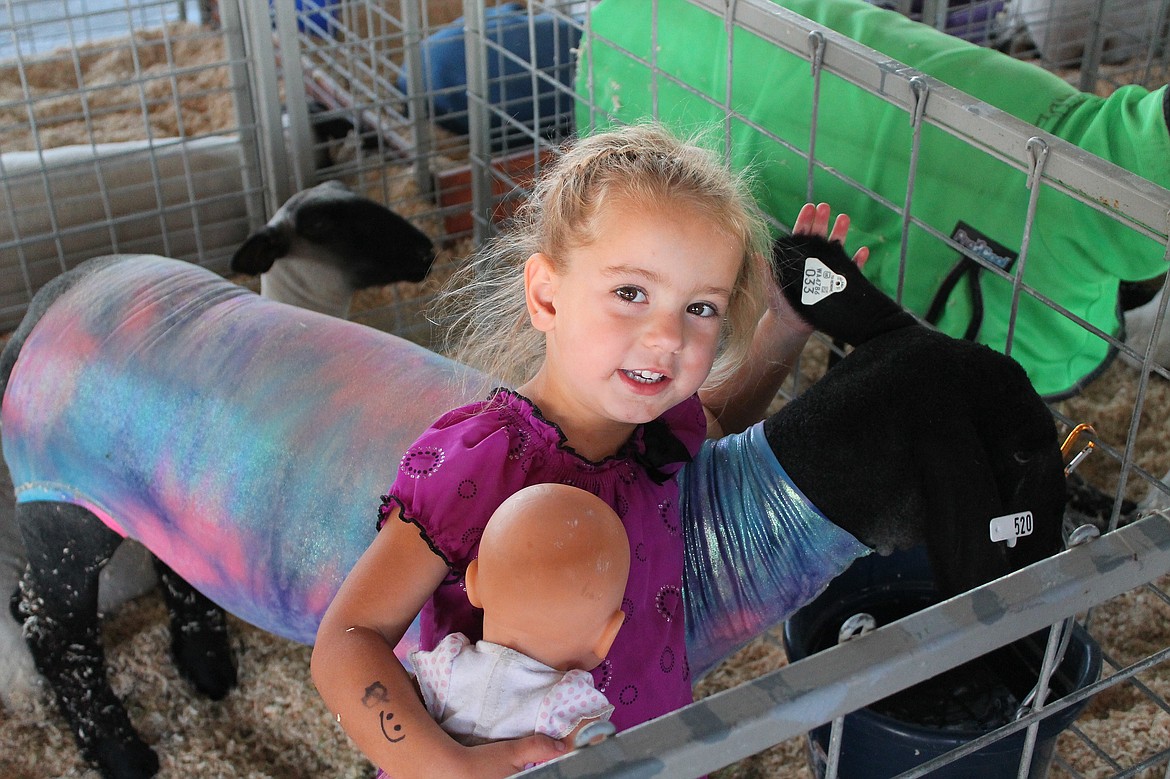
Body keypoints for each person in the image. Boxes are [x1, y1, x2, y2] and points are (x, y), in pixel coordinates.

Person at [311, 122, 868, 779]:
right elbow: (347, 641)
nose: (666, 337)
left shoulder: (656, 426)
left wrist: (782, 329)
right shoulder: (484, 461)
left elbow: (715, 420)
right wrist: (451, 768)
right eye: (631, 293)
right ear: (546, 295)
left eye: (700, 308)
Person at [410, 482, 629, 749]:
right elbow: (594, 753)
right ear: (607, 635)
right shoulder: (562, 700)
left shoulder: (448, 663)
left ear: (475, 584)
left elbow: (404, 703)